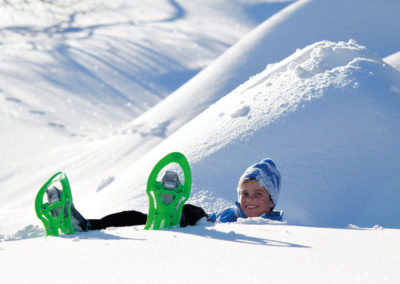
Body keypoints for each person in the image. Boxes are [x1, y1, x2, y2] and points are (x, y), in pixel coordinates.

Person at [46, 158, 282, 233]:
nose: (249, 200)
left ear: (272, 200)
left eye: (258, 194)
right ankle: (83, 225)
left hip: (200, 235)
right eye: (245, 193)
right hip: (196, 227)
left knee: (193, 212)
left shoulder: (276, 226)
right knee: (133, 216)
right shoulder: (231, 213)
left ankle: (172, 212)